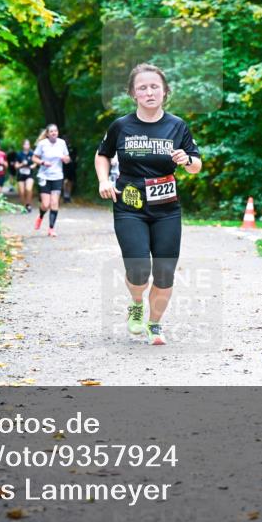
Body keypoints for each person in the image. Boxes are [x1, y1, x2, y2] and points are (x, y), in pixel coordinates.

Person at [95, 63, 202, 346]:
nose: (149, 91)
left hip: (167, 208)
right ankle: (135, 302)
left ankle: (154, 325)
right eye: (142, 87)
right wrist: (104, 180)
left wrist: (186, 160)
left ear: (165, 91)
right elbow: (102, 154)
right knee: (139, 267)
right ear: (133, 93)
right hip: (130, 205)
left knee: (165, 272)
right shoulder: (121, 126)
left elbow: (196, 165)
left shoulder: (177, 125)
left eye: (155, 86)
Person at [32, 124, 70, 237]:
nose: (54, 133)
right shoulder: (42, 144)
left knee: (54, 203)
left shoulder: (62, 143)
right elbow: (34, 158)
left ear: (57, 132)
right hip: (44, 176)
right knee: (45, 204)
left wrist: (65, 159)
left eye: (56, 131)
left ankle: (51, 229)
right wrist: (43, 163)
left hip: (57, 176)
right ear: (47, 134)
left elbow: (67, 159)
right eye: (51, 131)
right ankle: (40, 216)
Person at [13, 139, 36, 213]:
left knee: (28, 189)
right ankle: (24, 206)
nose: (27, 146)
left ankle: (28, 204)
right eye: (25, 144)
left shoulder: (32, 153)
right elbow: (16, 166)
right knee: (22, 192)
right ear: (23, 145)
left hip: (29, 174)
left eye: (28, 144)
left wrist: (33, 166)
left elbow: (35, 162)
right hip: (21, 175)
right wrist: (22, 164)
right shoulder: (19, 154)